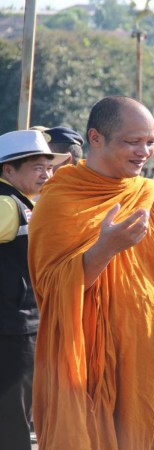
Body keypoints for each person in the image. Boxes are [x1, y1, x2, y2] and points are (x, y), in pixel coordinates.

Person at [28, 96, 154, 450]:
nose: (144, 151)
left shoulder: (148, 195)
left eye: (150, 141)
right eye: (132, 141)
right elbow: (49, 288)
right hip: (80, 356)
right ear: (96, 138)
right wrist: (105, 249)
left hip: (144, 351)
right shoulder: (60, 200)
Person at [0, 130, 68, 450]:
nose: (46, 174)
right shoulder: (6, 204)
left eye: (49, 167)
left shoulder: (21, 203)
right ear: (8, 170)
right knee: (14, 415)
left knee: (18, 411)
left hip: (20, 323)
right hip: (11, 328)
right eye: (36, 167)